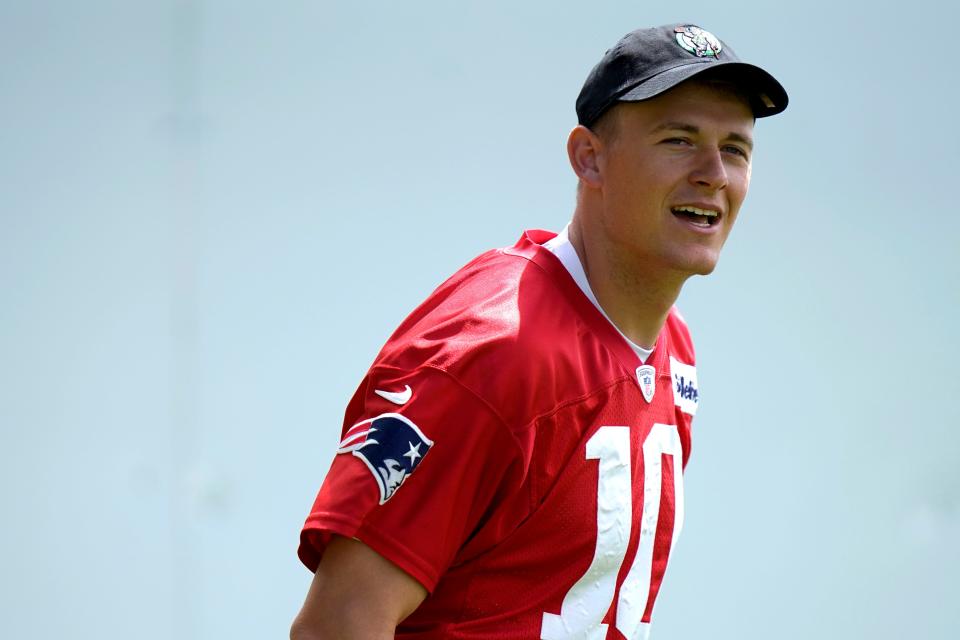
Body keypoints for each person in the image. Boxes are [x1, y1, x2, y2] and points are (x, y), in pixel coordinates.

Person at [290, 23, 787, 639]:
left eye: (735, 148)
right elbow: (337, 626)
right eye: (678, 140)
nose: (713, 173)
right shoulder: (493, 352)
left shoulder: (673, 346)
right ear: (589, 157)